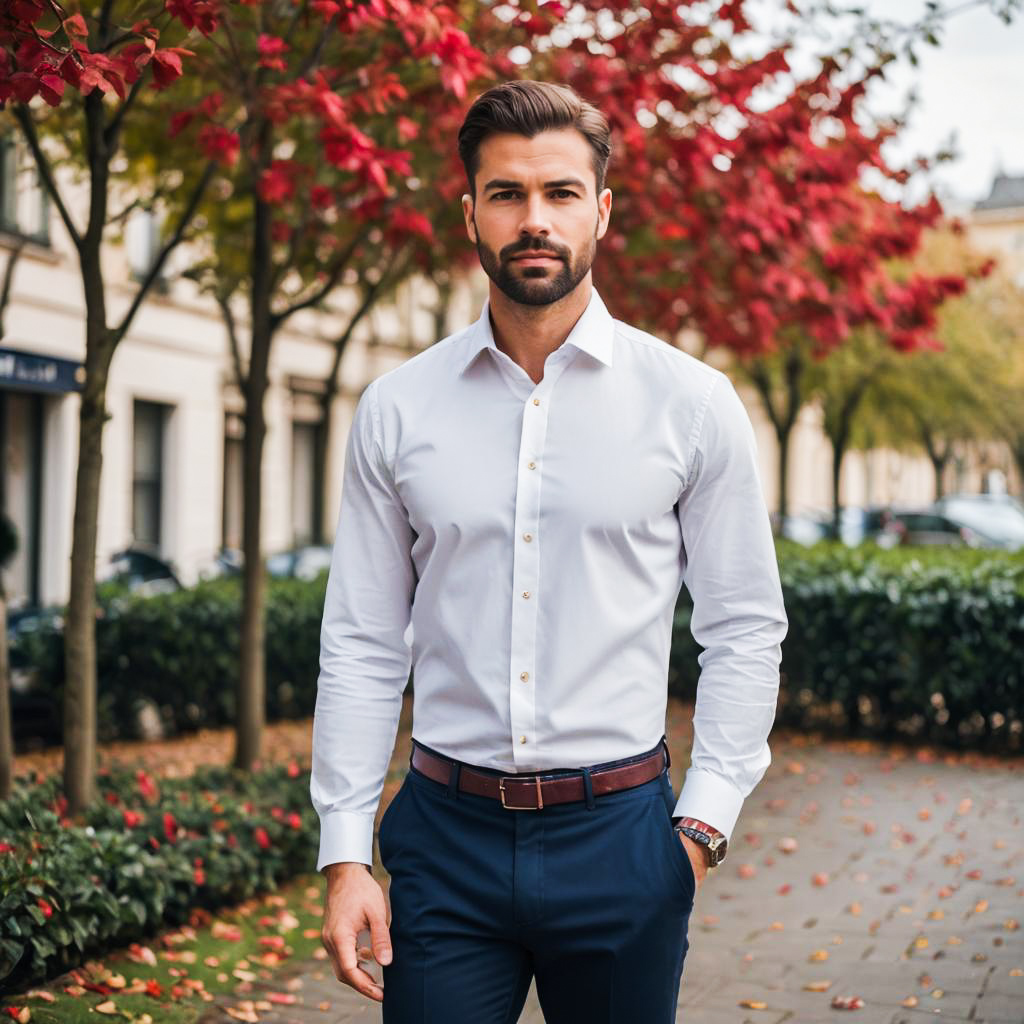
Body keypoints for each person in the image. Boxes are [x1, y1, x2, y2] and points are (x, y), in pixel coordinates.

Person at [311, 79, 788, 1024]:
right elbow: (364, 639)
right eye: (508, 194)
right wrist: (344, 855)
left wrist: (700, 829)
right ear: (471, 214)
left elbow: (744, 626)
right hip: (445, 842)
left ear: (602, 211)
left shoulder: (690, 404)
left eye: (562, 193)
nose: (536, 219)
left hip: (624, 840)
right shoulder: (398, 409)